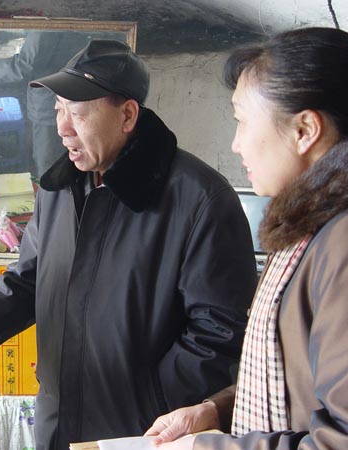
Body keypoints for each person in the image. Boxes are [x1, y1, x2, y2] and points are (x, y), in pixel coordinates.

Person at [0, 40, 257, 450]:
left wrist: (153, 401)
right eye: (58, 110)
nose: (62, 128)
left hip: (144, 433)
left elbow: (217, 332)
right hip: (58, 422)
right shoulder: (58, 188)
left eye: (78, 114)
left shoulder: (199, 200)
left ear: (127, 115)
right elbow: (30, 280)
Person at [144, 27, 348, 450]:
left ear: (305, 130)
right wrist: (216, 411)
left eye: (241, 121)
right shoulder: (307, 231)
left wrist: (208, 448)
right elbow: (305, 384)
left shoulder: (341, 245)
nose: (236, 145)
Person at [0, 30, 90, 177]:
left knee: (48, 164)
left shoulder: (45, 22)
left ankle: (50, 191)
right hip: (65, 96)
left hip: (50, 104)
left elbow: (25, 64)